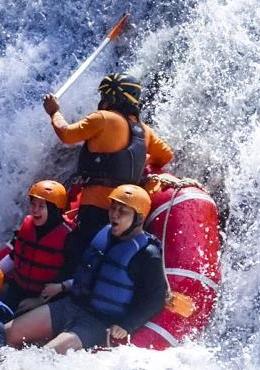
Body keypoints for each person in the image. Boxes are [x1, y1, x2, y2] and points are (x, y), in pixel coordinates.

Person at [3, 184, 167, 353]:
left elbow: (155, 299)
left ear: (139, 219)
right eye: (113, 208)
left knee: (45, 355)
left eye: (122, 211)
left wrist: (127, 325)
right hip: (71, 304)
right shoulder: (101, 233)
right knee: (7, 333)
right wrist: (60, 288)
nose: (114, 214)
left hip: (98, 321)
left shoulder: (147, 254)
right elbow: (85, 272)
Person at [42, 72, 173, 260]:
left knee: (80, 257)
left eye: (104, 95)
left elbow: (66, 134)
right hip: (126, 212)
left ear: (110, 98)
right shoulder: (145, 131)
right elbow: (166, 155)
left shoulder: (102, 118)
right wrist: (142, 163)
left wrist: (54, 112)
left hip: (95, 208)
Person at [0, 180, 77, 314]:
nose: (35, 210)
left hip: (46, 296)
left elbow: (73, 275)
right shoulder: (27, 225)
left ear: (54, 210)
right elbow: (14, 256)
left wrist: (39, 300)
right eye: (33, 204)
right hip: (17, 286)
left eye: (41, 206)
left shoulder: (69, 237)